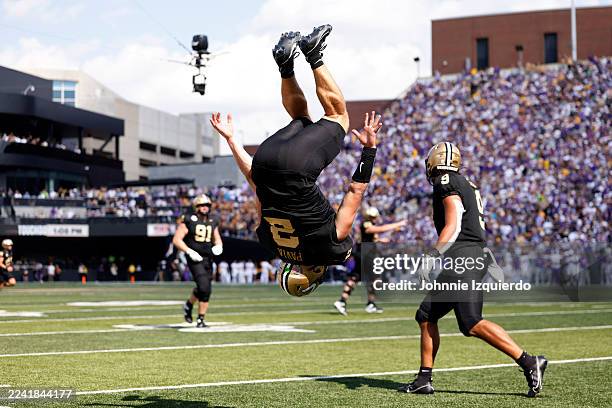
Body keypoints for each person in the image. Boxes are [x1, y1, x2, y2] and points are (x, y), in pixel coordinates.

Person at [209, 24, 382, 296]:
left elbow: (354, 191)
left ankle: (314, 55)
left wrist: (369, 151)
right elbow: (257, 186)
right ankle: (285, 66)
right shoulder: (269, 243)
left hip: (296, 167)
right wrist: (232, 140)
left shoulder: (333, 251)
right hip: (264, 159)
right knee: (301, 119)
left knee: (338, 116)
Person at [398, 142, 547, 397]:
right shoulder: (466, 182)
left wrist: (433, 254)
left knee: (471, 322)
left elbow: (454, 223)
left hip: (463, 257)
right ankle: (424, 378)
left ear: (434, 160)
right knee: (426, 315)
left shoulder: (445, 180)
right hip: (470, 255)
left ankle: (529, 361)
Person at [334, 207, 406, 315]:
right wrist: (396, 224)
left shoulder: (368, 225)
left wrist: (393, 232)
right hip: (366, 255)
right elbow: (379, 230)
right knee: (375, 279)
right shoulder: (366, 224)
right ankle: (370, 304)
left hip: (363, 254)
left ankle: (342, 301)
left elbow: (380, 239)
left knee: (355, 277)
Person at [173, 194, 223, 328]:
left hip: (208, 257)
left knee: (205, 287)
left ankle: (189, 305)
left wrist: (219, 245)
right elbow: (177, 240)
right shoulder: (189, 219)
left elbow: (216, 237)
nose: (204, 208)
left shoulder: (213, 220)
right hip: (194, 257)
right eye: (201, 205)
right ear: (196, 207)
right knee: (204, 286)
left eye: (206, 205)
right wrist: (189, 251)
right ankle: (200, 319)